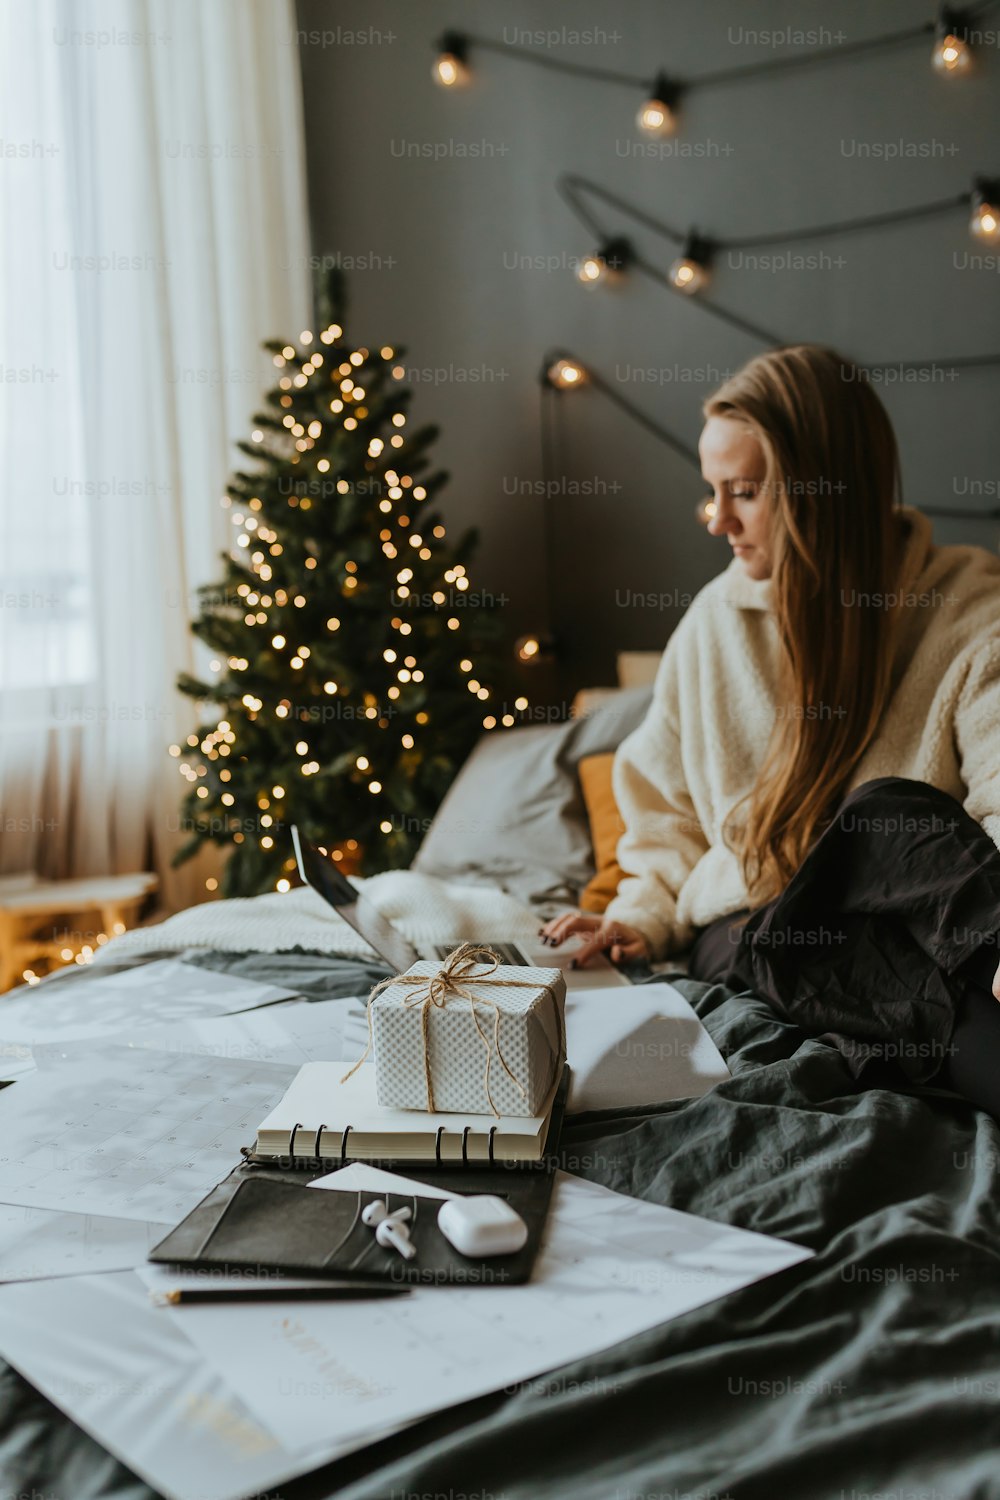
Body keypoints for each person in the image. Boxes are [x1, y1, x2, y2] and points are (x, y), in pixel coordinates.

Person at [540, 344, 1000, 1115]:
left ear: (827, 492)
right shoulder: (711, 626)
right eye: (712, 492)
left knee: (888, 815)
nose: (717, 520)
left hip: (921, 935)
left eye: (744, 492)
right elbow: (668, 820)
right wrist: (635, 919)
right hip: (753, 929)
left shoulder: (965, 612)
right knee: (841, 936)